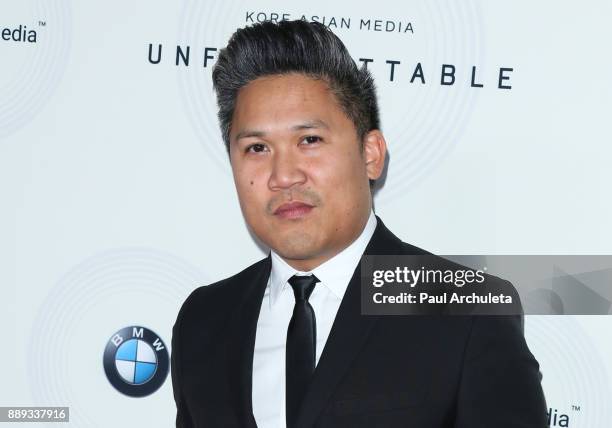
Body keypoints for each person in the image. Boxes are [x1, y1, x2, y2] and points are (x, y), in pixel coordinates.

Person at [171, 19, 547, 428]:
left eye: (309, 141)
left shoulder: (467, 316)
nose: (283, 176)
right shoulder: (204, 321)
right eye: (257, 148)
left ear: (370, 154)